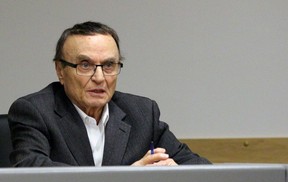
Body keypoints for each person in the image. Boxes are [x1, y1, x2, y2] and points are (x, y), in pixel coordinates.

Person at [8, 21, 211, 167]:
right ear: (60, 70)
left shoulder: (141, 113)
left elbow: (199, 167)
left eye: (108, 65)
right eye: (85, 65)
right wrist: (125, 181)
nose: (99, 77)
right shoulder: (35, 111)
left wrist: (175, 171)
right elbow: (33, 172)